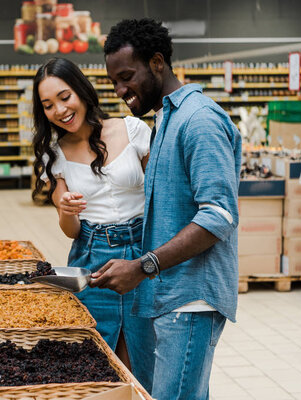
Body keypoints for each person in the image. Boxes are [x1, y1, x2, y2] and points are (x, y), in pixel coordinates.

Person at [91, 19, 241, 400]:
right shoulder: (166, 118)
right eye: (114, 82)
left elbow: (218, 215)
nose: (121, 90)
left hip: (191, 298)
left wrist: (143, 267)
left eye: (127, 76)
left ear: (157, 62)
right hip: (169, 293)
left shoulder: (200, 120)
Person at [32, 57, 154, 393]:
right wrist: (68, 210)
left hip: (142, 253)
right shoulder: (54, 154)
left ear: (82, 91)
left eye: (64, 96)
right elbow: (70, 231)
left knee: (142, 356)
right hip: (91, 258)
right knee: (97, 360)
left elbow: (161, 195)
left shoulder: (132, 130)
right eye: (48, 105)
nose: (59, 110)